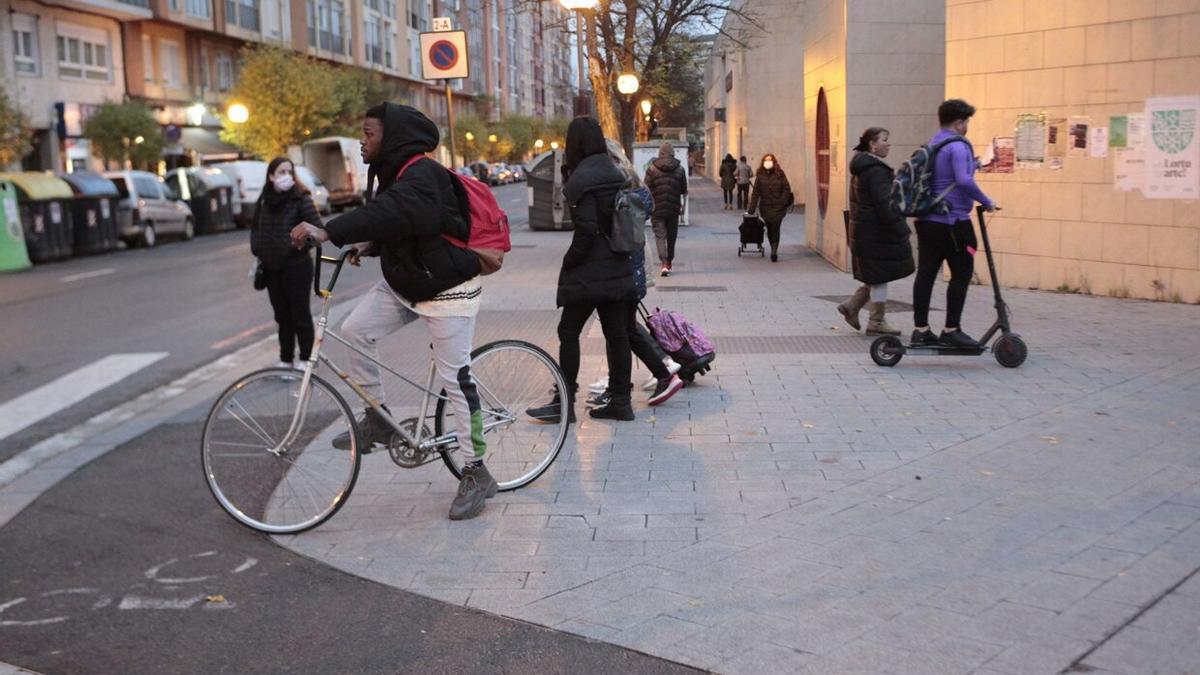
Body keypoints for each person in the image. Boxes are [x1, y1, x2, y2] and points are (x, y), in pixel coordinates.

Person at [289, 102, 493, 521]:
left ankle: (476, 471)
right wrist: (372, 244)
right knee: (354, 330)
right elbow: (407, 225)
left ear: (393, 137)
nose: (362, 142)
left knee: (455, 379)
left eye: (368, 133)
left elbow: (398, 211)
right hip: (409, 282)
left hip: (448, 288)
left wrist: (329, 230)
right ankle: (379, 417)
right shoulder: (396, 174)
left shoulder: (422, 173)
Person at [526, 116, 640, 423]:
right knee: (617, 334)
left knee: (568, 331)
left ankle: (564, 402)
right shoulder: (614, 172)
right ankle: (621, 401)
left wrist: (570, 260)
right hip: (617, 261)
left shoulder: (581, 179)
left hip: (591, 268)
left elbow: (587, 230)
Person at [587, 163, 683, 410]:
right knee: (625, 330)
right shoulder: (636, 203)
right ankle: (649, 379)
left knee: (619, 332)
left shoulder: (622, 206)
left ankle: (656, 378)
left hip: (623, 278)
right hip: (634, 277)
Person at [911, 99, 998, 349]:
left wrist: (975, 165)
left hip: (927, 220)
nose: (967, 126)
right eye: (967, 122)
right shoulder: (958, 146)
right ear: (959, 123)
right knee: (961, 272)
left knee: (926, 272)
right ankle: (951, 329)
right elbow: (962, 179)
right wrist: (986, 201)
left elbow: (945, 176)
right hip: (952, 221)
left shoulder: (935, 143)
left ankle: (921, 330)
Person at [838, 127, 915, 336]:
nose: (888, 144)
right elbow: (885, 204)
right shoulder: (875, 170)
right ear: (873, 144)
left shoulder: (863, 168)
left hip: (865, 232)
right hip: (875, 233)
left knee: (875, 274)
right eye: (884, 140)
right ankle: (876, 321)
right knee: (880, 276)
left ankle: (852, 306)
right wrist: (902, 229)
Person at [251, 157, 320, 370]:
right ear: (271, 176)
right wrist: (258, 249)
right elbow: (255, 228)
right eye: (281, 172)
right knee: (282, 316)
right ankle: (286, 358)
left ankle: (307, 359)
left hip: (297, 266)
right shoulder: (264, 200)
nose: (286, 176)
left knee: (300, 314)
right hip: (271, 268)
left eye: (289, 172)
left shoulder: (301, 199)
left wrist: (297, 246)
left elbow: (316, 231)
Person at [644, 141, 688, 277]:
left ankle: (663, 262)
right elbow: (683, 190)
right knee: (671, 236)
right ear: (672, 153)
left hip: (657, 209)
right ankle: (669, 262)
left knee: (660, 236)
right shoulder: (680, 169)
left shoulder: (651, 169)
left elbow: (646, 189)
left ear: (660, 153)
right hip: (673, 209)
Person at [748, 153, 793, 262]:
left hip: (779, 208)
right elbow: (756, 193)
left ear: (774, 162)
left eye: (770, 160)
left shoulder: (780, 174)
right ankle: (773, 246)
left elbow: (787, 188)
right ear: (763, 162)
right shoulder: (760, 175)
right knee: (769, 229)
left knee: (776, 228)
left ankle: (774, 251)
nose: (768, 162)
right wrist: (752, 208)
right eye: (766, 160)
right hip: (766, 208)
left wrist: (782, 201)